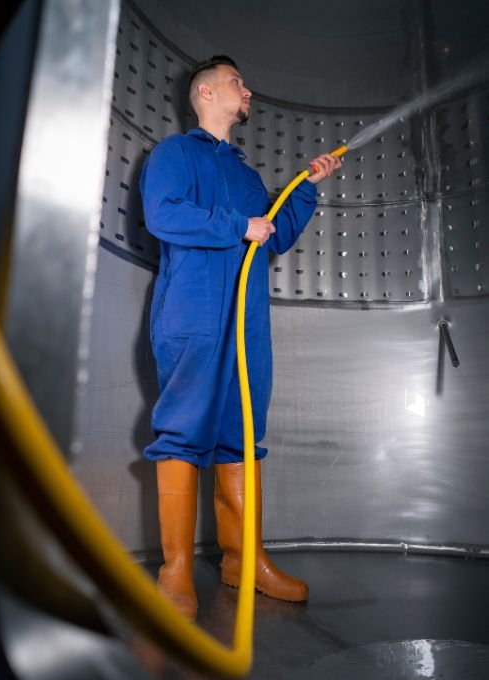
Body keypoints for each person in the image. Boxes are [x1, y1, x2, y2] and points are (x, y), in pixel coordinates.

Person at [140, 55, 341, 620]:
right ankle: (176, 571)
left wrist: (305, 188)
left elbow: (273, 235)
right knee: (182, 432)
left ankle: (243, 561)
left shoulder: (248, 177)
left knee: (243, 435)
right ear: (205, 92)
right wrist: (236, 226)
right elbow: (163, 214)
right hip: (193, 314)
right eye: (236, 81)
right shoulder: (174, 154)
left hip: (247, 323)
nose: (246, 90)